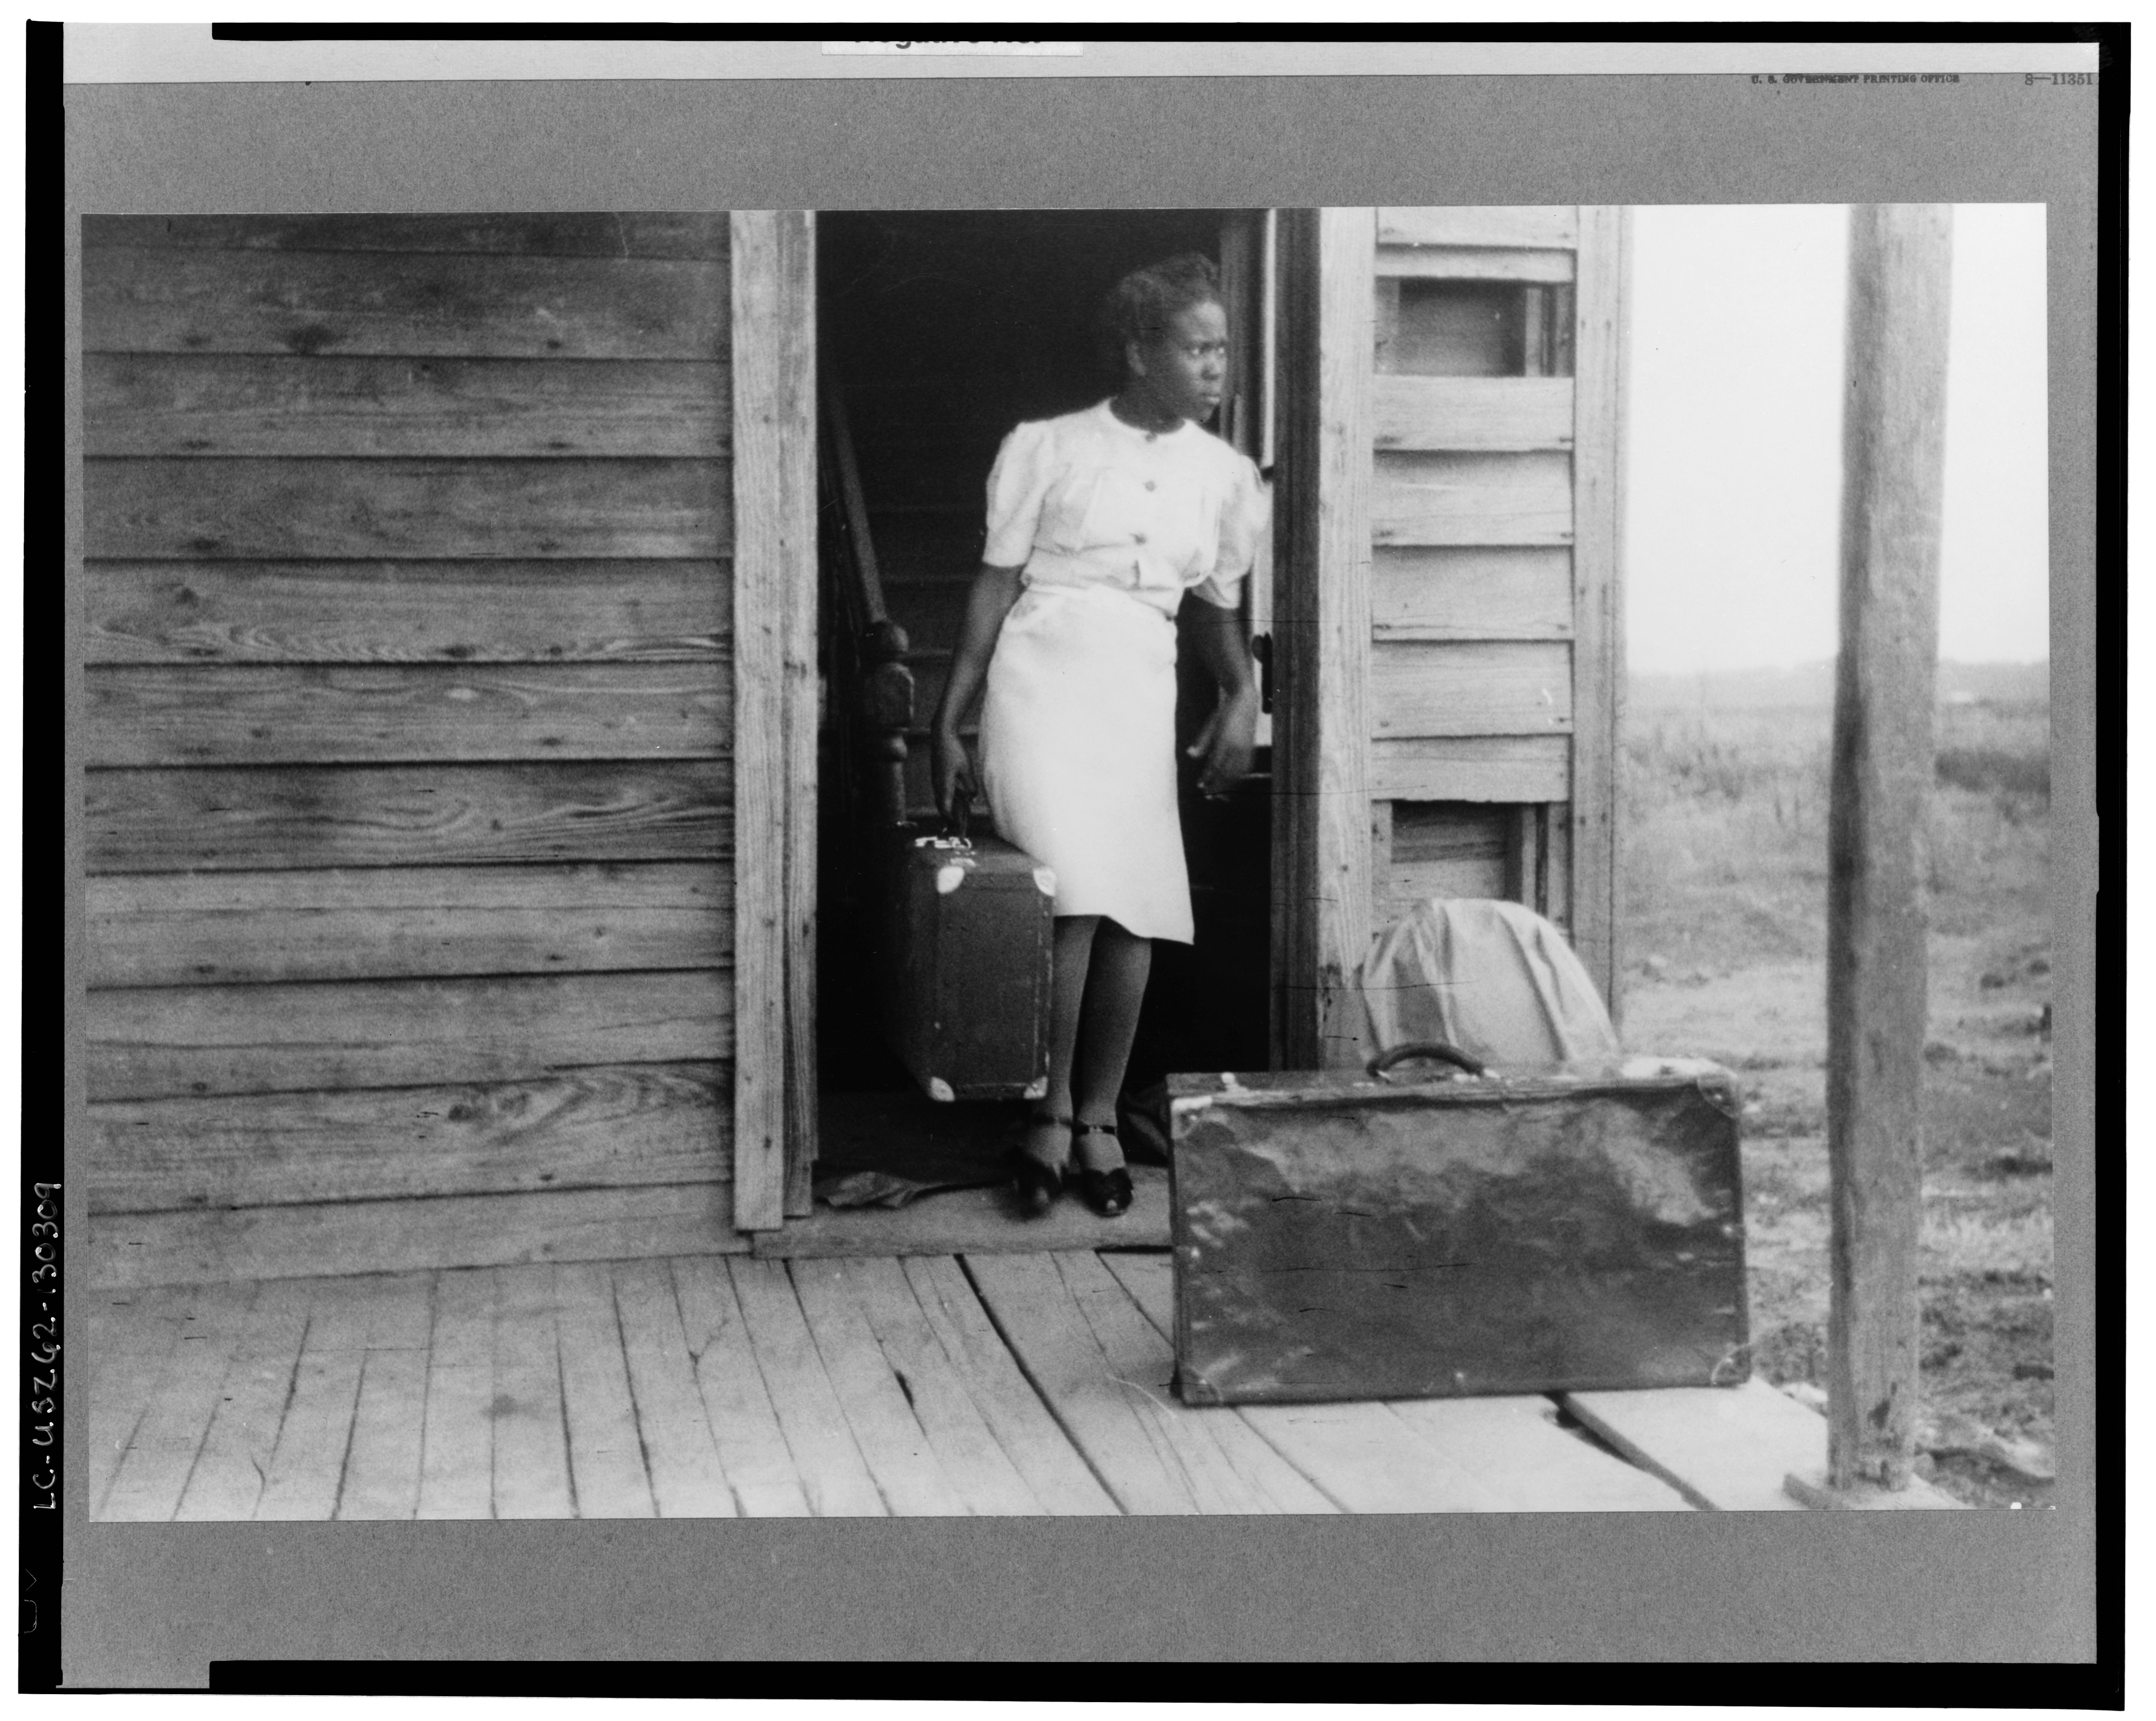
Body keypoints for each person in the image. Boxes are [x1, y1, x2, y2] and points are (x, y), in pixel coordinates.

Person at [929, 253, 1267, 1219]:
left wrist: (1240, 693)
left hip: (1137, 688)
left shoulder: (1226, 476)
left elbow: (1215, 609)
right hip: (1041, 678)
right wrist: (948, 719)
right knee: (1071, 895)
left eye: (1222, 349)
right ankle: (1045, 1111)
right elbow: (996, 583)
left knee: (1134, 906)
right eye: (1196, 349)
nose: (1216, 367)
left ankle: (1100, 1116)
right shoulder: (1048, 447)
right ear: (1138, 351)